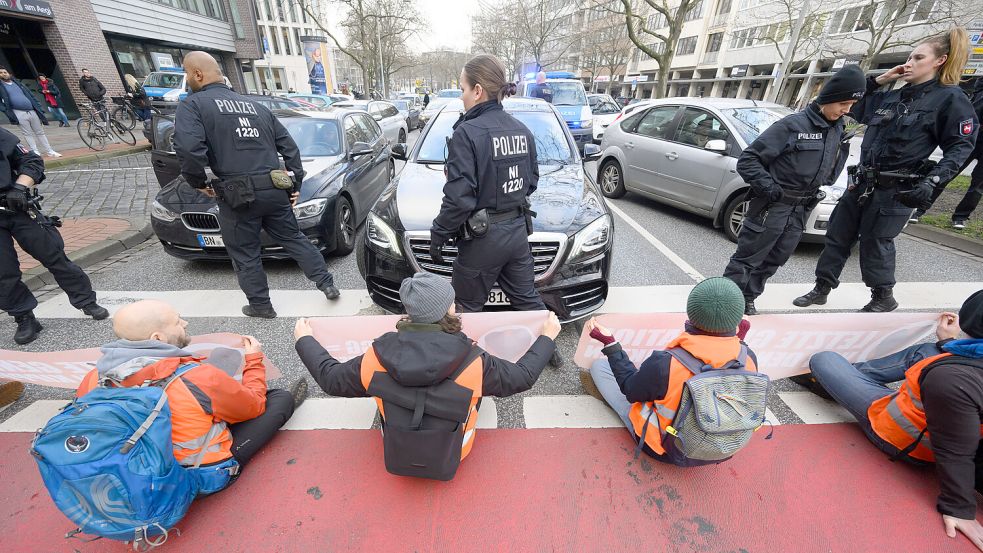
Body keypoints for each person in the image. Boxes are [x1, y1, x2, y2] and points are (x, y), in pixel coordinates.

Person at [294, 272, 561, 479]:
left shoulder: (375, 356)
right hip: (457, 449)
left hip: (397, 445)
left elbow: (331, 379)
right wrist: (547, 336)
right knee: (477, 393)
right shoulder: (474, 361)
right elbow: (521, 376)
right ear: (448, 311)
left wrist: (305, 339)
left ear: (410, 313)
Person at [794, 28, 979, 313]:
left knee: (876, 242)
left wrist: (934, 180)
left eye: (918, 57)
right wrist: (881, 80)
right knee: (837, 236)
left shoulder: (950, 99)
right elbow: (851, 106)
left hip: (896, 189)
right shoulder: (895, 95)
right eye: (909, 56)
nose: (909, 62)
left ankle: (882, 297)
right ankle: (821, 288)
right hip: (863, 182)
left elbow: (961, 146)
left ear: (939, 61)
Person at [805, 290, 983, 551]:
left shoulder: (951, 379)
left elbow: (955, 449)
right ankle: (856, 376)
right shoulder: (958, 370)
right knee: (927, 350)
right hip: (940, 412)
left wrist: (960, 508)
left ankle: (836, 381)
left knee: (824, 360)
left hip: (897, 430)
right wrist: (948, 344)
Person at [76, 299, 307, 495]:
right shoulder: (196, 377)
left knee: (205, 397)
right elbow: (254, 407)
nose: (184, 324)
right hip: (195, 478)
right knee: (277, 399)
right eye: (177, 322)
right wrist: (254, 360)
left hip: (129, 475)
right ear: (157, 338)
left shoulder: (93, 377)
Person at [173, 51, 340, 318]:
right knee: (294, 238)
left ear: (198, 74)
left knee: (245, 251)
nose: (186, 78)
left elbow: (188, 149)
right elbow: (289, 147)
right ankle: (327, 284)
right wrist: (294, 182)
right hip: (273, 189)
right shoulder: (256, 107)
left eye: (185, 72)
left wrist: (199, 182)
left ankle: (261, 305)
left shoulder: (193, 105)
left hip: (237, 194)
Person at [724, 66, 867, 315]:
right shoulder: (792, 125)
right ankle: (726, 305)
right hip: (773, 205)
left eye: (851, 104)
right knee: (748, 258)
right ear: (828, 98)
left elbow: (829, 170)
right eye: (843, 103)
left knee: (776, 257)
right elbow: (748, 160)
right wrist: (770, 189)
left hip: (801, 208)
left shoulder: (836, 128)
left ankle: (748, 296)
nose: (847, 110)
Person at [585, 277, 756, 465]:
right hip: (724, 448)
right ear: (737, 320)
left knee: (599, 367)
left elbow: (630, 390)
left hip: (665, 449)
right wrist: (740, 341)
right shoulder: (749, 357)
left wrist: (611, 344)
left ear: (691, 315)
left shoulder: (665, 363)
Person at [430, 54, 544, 314]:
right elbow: (531, 182)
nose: (461, 96)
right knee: (529, 304)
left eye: (463, 89)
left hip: (482, 242)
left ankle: (468, 357)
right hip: (517, 235)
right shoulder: (522, 130)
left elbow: (459, 198)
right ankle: (549, 351)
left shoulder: (466, 133)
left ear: (478, 91)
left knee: (464, 311)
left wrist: (439, 234)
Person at [0, 127, 108, 344]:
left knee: (53, 255)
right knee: (3, 273)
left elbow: (31, 160)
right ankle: (24, 317)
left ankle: (86, 301)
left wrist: (20, 187)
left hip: (15, 205)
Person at [917, 77, 983, 228]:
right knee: (946, 172)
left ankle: (960, 217)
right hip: (973, 136)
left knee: (978, 185)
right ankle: (919, 208)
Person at [0, 67, 60, 158]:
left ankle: (50, 151)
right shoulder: (1, 86)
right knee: (27, 133)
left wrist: (39, 108)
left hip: (32, 111)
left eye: (5, 72)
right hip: (18, 112)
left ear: (9, 73)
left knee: (40, 132)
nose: (4, 74)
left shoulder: (18, 83)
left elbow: (30, 95)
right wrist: (5, 109)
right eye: (1, 73)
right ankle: (35, 151)